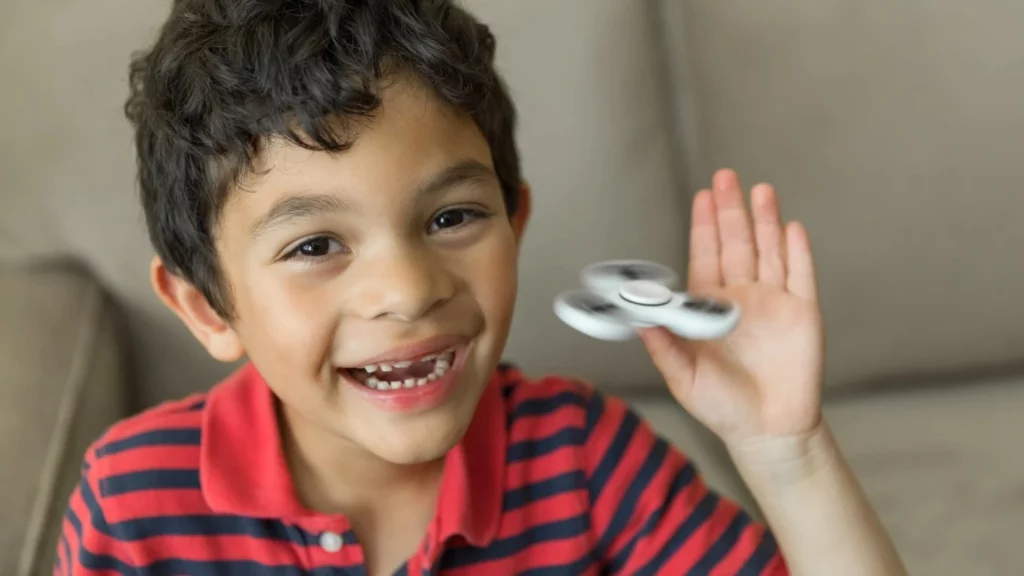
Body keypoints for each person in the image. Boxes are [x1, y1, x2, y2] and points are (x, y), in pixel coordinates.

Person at [55, 1, 906, 574]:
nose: (408, 289)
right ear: (208, 305)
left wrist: (784, 455)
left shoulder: (585, 458)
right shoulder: (133, 503)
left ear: (516, 222)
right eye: (317, 243)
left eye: (451, 218)